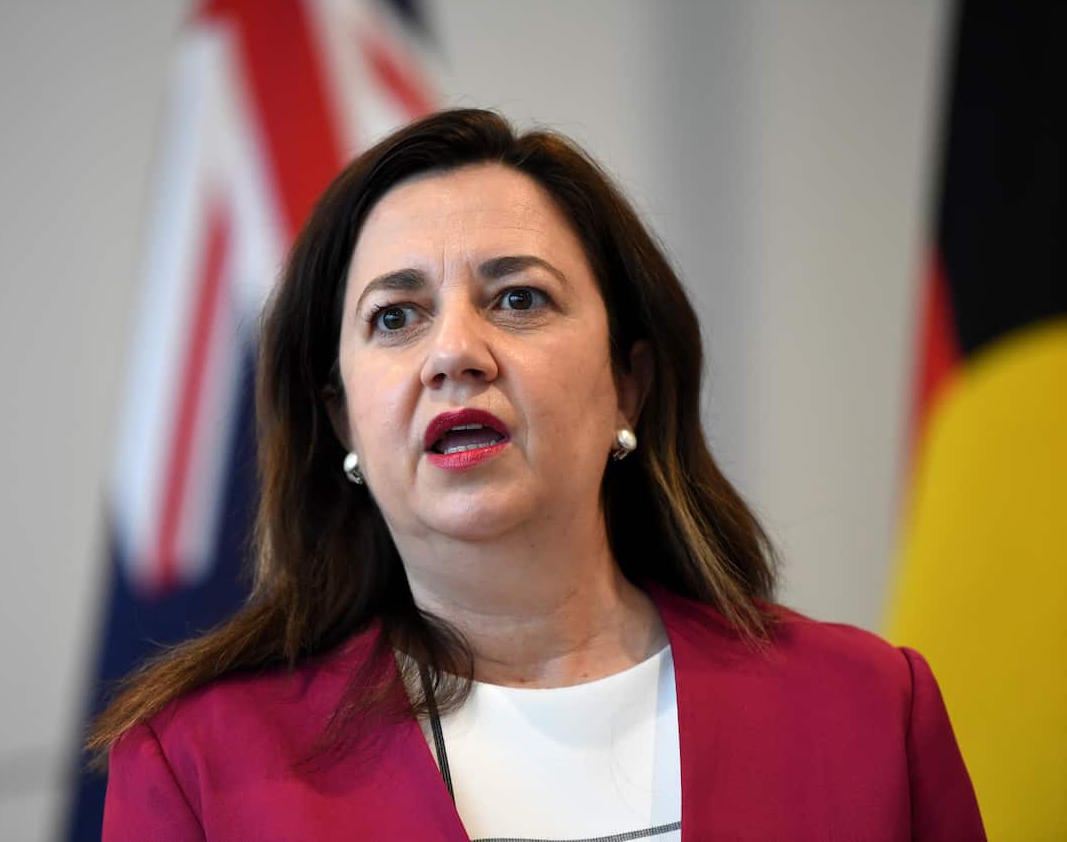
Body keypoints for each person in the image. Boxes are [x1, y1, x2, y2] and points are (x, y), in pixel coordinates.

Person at [89, 109, 984, 841]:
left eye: (518, 298)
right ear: (340, 418)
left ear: (627, 383)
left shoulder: (870, 710)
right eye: (395, 316)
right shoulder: (195, 767)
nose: (452, 352)